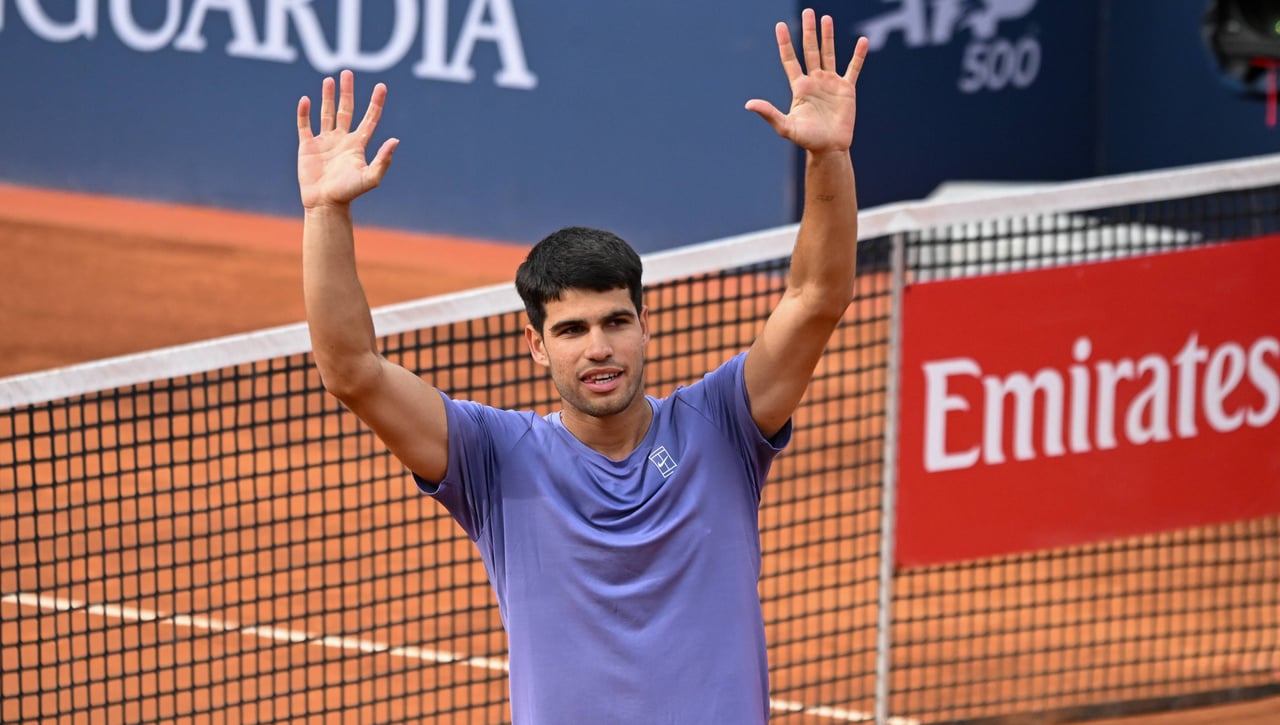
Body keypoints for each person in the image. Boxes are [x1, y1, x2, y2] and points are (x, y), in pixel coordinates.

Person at [296, 8, 868, 724]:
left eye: (615, 321)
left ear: (643, 326)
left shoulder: (724, 425)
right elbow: (352, 370)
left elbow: (817, 297)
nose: (597, 347)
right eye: (570, 329)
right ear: (537, 345)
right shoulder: (492, 457)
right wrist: (325, 211)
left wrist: (827, 158)